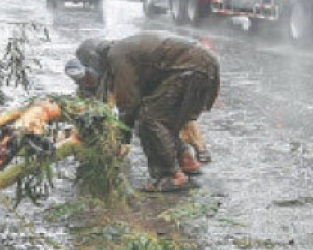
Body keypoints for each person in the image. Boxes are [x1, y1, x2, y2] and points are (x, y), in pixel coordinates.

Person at [65, 32, 220, 192]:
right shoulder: (124, 52)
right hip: (202, 66)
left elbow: (129, 103)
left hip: (192, 69)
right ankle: (186, 161)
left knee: (149, 120)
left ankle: (171, 175)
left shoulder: (117, 56)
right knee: (164, 120)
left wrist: (123, 138)